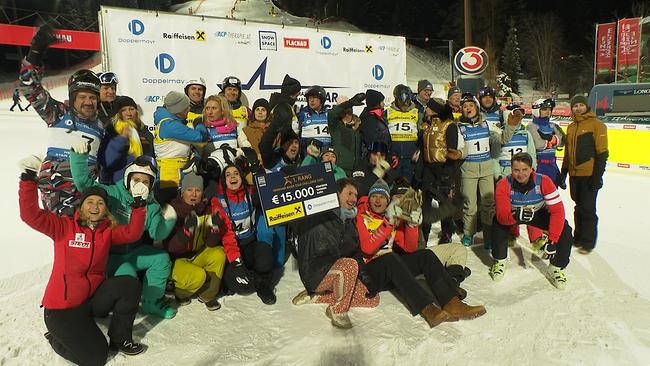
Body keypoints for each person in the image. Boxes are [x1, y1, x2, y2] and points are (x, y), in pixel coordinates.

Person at [19, 155, 148, 364]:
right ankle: (56, 338)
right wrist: (28, 179)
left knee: (129, 285)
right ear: (81, 207)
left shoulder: (107, 231)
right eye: (90, 202)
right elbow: (30, 215)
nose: (95, 207)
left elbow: (132, 233)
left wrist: (139, 205)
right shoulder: (63, 227)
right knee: (96, 358)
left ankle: (119, 338)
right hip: (62, 310)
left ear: (106, 209)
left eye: (100, 203)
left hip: (90, 301)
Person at [356, 179, 486, 327]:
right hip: (370, 273)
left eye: (382, 197)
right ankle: (428, 310)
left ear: (387, 202)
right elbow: (366, 248)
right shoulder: (362, 218)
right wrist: (387, 222)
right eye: (374, 196)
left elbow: (409, 249)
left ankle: (452, 302)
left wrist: (412, 225)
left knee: (425, 255)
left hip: (391, 269)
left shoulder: (393, 220)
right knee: (391, 258)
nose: (377, 200)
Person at [70, 146, 178, 319]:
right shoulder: (113, 194)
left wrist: (169, 221)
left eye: (145, 182)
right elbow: (85, 185)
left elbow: (157, 234)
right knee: (129, 279)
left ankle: (151, 303)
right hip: (110, 255)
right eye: (136, 180)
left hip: (134, 252)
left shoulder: (151, 206)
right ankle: (117, 309)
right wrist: (78, 158)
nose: (140, 185)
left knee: (161, 259)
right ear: (128, 179)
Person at [19, 24, 105, 216]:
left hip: (86, 195)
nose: (88, 102)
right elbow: (29, 88)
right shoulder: (57, 112)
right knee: (65, 239)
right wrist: (35, 53)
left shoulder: (101, 125)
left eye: (92, 97)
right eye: (82, 97)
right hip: (58, 192)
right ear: (73, 98)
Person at [292, 178, 379, 329]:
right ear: (337, 194)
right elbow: (298, 219)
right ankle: (338, 310)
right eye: (349, 193)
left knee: (372, 299)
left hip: (339, 272)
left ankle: (318, 297)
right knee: (349, 266)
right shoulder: (318, 215)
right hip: (315, 272)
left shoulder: (350, 221)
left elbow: (355, 253)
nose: (353, 198)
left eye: (355, 195)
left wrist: (367, 279)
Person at [490, 152, 574, 289]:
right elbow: (501, 215)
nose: (520, 174)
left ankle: (556, 267)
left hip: (538, 213)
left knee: (565, 229)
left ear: (531, 169)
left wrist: (552, 240)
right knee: (497, 223)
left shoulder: (544, 181)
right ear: (511, 170)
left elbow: (557, 211)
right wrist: (515, 216)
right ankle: (500, 260)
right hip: (514, 214)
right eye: (516, 170)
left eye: (524, 170)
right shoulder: (503, 184)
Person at [165, 172, 235, 311]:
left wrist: (215, 228)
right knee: (198, 276)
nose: (193, 194)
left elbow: (210, 244)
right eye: (189, 190)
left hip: (197, 255)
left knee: (219, 254)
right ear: (182, 192)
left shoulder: (206, 210)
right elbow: (170, 248)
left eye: (197, 190)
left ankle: (207, 294)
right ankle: (179, 293)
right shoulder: (172, 210)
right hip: (176, 260)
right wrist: (186, 231)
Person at [457, 92, 518, 248]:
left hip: (486, 169)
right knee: (470, 205)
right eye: (464, 106)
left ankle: (488, 236)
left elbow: (503, 139)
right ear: (461, 110)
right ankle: (468, 233)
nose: (468, 108)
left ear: (477, 107)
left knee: (488, 204)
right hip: (468, 171)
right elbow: (459, 150)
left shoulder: (486, 125)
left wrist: (511, 126)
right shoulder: (459, 127)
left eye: (471, 105)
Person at [217, 164, 278, 304]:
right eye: (228, 174)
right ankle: (230, 280)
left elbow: (267, 189)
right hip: (231, 250)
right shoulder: (218, 202)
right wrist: (236, 263)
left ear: (241, 177)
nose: (232, 176)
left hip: (250, 244)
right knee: (242, 288)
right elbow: (226, 236)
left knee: (266, 253)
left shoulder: (249, 193)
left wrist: (258, 170)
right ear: (223, 181)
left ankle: (263, 286)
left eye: (236, 173)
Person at [389, 182, 471, 285]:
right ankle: (446, 274)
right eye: (398, 196)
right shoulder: (385, 215)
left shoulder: (415, 212)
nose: (401, 200)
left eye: (405, 197)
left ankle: (453, 279)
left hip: (422, 256)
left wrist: (453, 205)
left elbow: (435, 215)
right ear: (390, 198)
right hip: (403, 262)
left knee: (459, 250)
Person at [557, 95, 608, 254]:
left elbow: (602, 153)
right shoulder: (571, 127)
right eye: (575, 106)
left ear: (587, 106)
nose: (577, 108)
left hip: (589, 174)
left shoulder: (597, 125)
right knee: (578, 207)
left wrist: (597, 176)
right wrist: (564, 173)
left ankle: (588, 242)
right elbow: (567, 154)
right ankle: (578, 237)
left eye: (580, 105)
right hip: (574, 175)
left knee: (587, 208)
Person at [414, 97, 463, 245]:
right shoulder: (427, 126)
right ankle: (424, 235)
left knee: (444, 205)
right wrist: (418, 173)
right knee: (425, 205)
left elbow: (452, 152)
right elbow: (423, 151)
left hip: (443, 168)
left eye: (428, 107)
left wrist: (448, 174)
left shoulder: (450, 126)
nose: (426, 109)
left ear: (435, 109)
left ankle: (446, 234)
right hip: (428, 169)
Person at [153, 91, 210, 204]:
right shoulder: (170, 126)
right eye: (186, 108)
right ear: (178, 111)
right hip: (170, 174)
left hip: (177, 170)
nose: (189, 109)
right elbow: (201, 137)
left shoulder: (171, 122)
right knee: (171, 207)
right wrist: (199, 124)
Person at [98, 95, 154, 185]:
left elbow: (151, 157)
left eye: (131, 109)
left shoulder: (144, 132)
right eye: (123, 110)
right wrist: (122, 138)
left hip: (143, 181)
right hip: (119, 184)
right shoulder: (111, 131)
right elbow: (107, 161)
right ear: (117, 114)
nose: (129, 113)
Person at [260, 74, 302, 172]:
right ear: (292, 93)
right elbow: (283, 131)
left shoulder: (287, 106)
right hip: (279, 148)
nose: (298, 95)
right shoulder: (282, 107)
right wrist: (290, 140)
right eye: (297, 93)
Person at [384, 84, 421, 180]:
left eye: (407, 101)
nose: (405, 104)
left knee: (409, 186)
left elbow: (423, 134)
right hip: (394, 157)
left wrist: (418, 150)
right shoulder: (388, 112)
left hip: (410, 158)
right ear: (396, 99)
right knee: (394, 184)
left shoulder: (417, 112)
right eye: (402, 101)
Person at [327, 94, 364, 176]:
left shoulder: (358, 123)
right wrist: (349, 102)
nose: (347, 109)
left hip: (356, 171)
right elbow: (332, 113)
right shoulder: (335, 125)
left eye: (350, 106)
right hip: (340, 169)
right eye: (343, 106)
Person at [297, 85, 330, 153]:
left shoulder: (329, 114)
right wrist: (307, 141)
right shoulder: (302, 115)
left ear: (322, 99)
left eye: (314, 97)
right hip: (308, 156)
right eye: (310, 98)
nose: (311, 100)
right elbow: (296, 137)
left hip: (326, 155)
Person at [358, 89, 391, 156]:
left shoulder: (381, 117)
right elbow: (370, 140)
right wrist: (378, 154)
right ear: (376, 103)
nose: (384, 104)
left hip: (383, 155)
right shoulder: (368, 118)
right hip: (374, 158)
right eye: (382, 102)